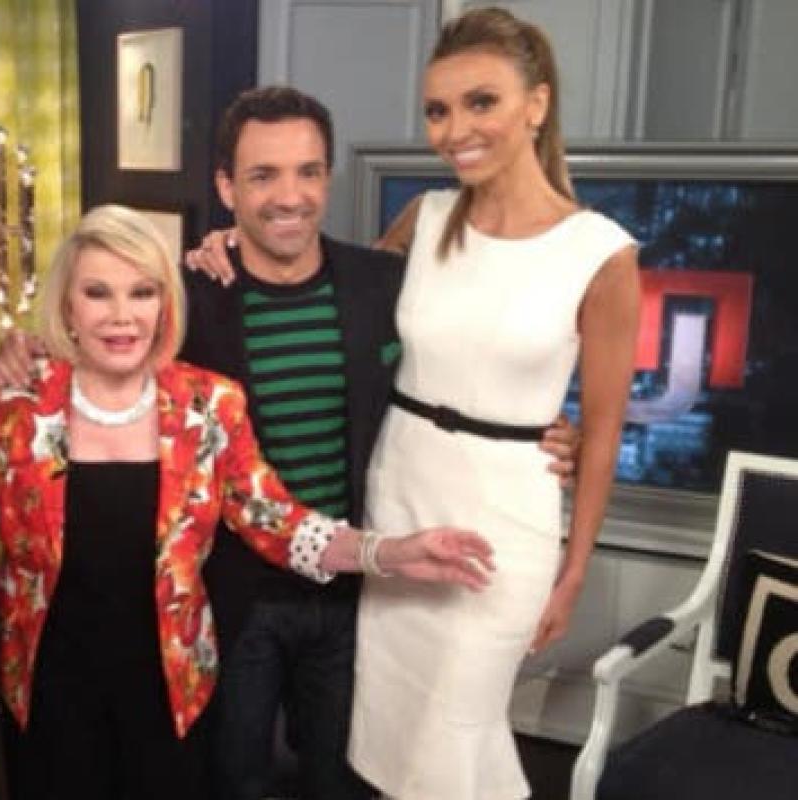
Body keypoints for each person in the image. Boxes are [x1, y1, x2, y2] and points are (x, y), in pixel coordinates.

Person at [0, 203, 498, 800]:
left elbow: (275, 521)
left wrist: (389, 553)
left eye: (142, 292)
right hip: (49, 686)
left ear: (165, 303)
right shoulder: (13, 405)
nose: (122, 316)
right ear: (68, 305)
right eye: (98, 293)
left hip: (169, 684)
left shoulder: (208, 404)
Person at [343, 8, 640, 799]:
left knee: (456, 725)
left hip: (506, 522)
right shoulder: (425, 219)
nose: (454, 130)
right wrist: (225, 249)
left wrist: (573, 574)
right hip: (401, 494)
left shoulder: (601, 253)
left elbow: (605, 431)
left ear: (536, 104)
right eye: (438, 110)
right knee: (392, 729)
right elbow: (333, 309)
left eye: (482, 102)